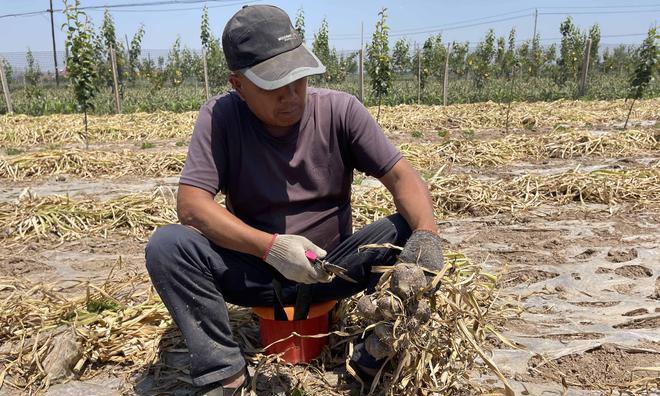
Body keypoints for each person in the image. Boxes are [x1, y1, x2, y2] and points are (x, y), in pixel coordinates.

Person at [145, 4, 444, 395]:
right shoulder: (220, 118)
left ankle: (374, 357)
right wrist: (270, 247)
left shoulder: (340, 110)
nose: (290, 95)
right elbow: (191, 206)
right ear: (238, 85)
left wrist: (427, 235)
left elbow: (402, 176)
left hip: (333, 269)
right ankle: (224, 372)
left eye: (298, 79)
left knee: (408, 230)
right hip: (255, 272)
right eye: (273, 85)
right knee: (168, 246)